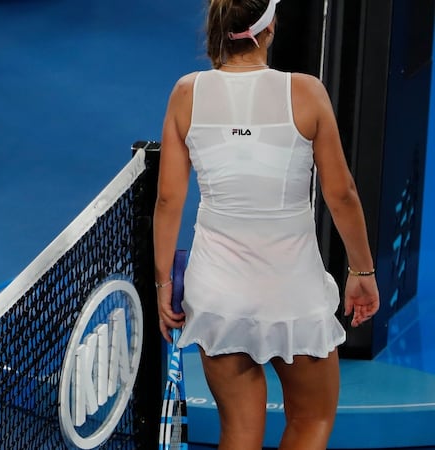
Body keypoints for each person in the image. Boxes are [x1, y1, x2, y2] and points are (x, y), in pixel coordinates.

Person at [152, 1, 380, 449]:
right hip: (293, 292)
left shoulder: (186, 92)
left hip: (217, 293)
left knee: (238, 431)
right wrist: (362, 272)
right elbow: (342, 194)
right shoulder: (307, 92)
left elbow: (167, 199)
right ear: (269, 27)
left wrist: (164, 286)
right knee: (311, 420)